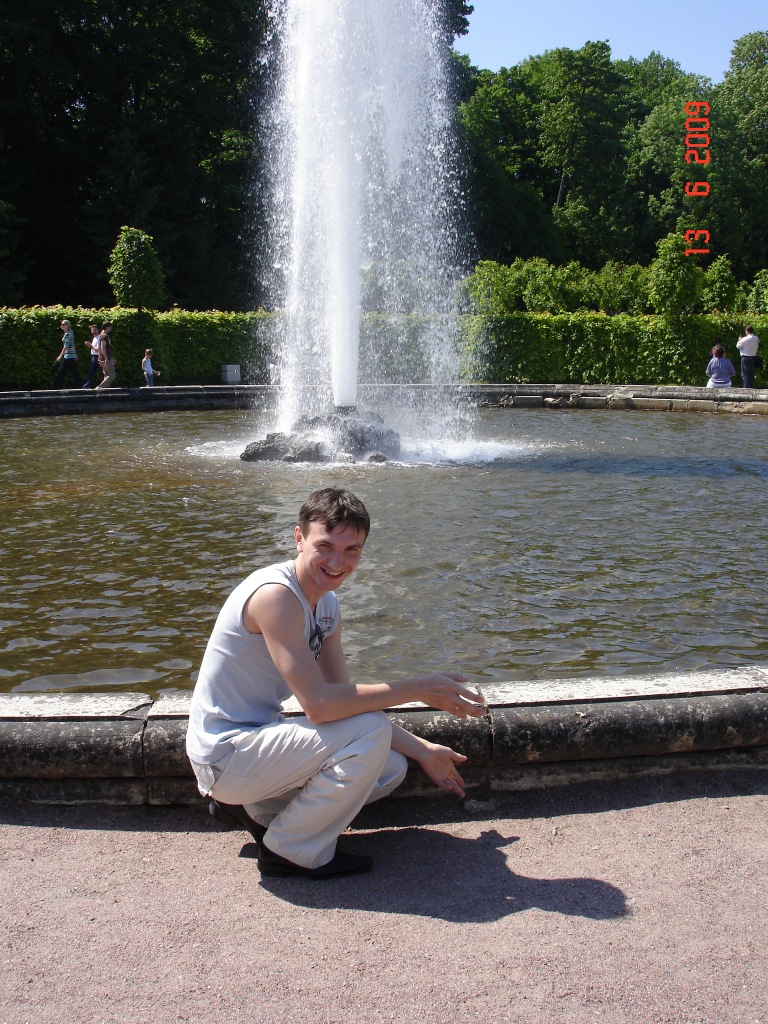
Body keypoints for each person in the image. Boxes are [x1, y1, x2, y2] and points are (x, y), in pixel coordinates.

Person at [186, 487, 485, 880]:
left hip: (254, 744)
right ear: (299, 538)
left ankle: (256, 809)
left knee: (389, 767)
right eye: (324, 546)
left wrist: (423, 750)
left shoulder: (326, 605)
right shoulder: (275, 596)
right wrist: (417, 688)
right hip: (224, 754)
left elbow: (346, 709)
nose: (336, 562)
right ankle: (289, 851)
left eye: (351, 550)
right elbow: (319, 706)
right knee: (371, 734)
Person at [51, 319, 81, 388]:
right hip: (69, 356)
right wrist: (75, 355)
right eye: (62, 324)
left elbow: (66, 346)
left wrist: (60, 356)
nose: (62, 326)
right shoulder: (69, 333)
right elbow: (72, 345)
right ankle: (79, 385)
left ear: (68, 325)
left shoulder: (67, 334)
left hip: (68, 356)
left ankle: (54, 386)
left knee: (62, 372)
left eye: (64, 324)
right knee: (69, 372)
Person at [95, 322, 116, 389]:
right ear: (107, 327)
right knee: (112, 375)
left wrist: (111, 357)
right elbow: (103, 348)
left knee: (106, 374)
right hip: (105, 359)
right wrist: (106, 359)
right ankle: (100, 387)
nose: (111, 329)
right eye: (110, 327)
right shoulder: (104, 336)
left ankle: (105, 389)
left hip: (103, 358)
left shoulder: (101, 335)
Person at [81, 324, 102, 389]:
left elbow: (98, 349)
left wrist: (90, 345)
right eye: (92, 330)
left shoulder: (99, 338)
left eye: (95, 329)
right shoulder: (95, 338)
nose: (94, 331)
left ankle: (86, 386)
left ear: (98, 330)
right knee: (93, 372)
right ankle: (86, 386)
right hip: (94, 356)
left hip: (97, 357)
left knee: (96, 372)